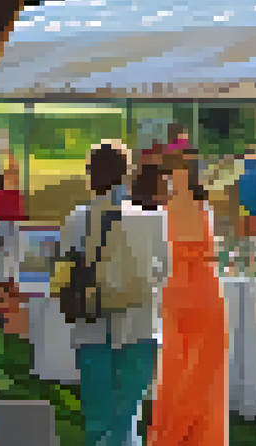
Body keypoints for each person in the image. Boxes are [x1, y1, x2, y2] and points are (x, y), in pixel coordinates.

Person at [60, 141, 168, 446]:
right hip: (141, 326)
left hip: (92, 326)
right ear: (126, 174)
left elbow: (65, 273)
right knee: (127, 418)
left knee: (97, 422)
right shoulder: (154, 218)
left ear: (92, 174)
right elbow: (165, 271)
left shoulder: (77, 219)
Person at [151, 148, 229, 446]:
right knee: (205, 371)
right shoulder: (201, 207)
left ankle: (172, 435)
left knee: (175, 366)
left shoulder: (165, 209)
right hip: (203, 290)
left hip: (176, 289)